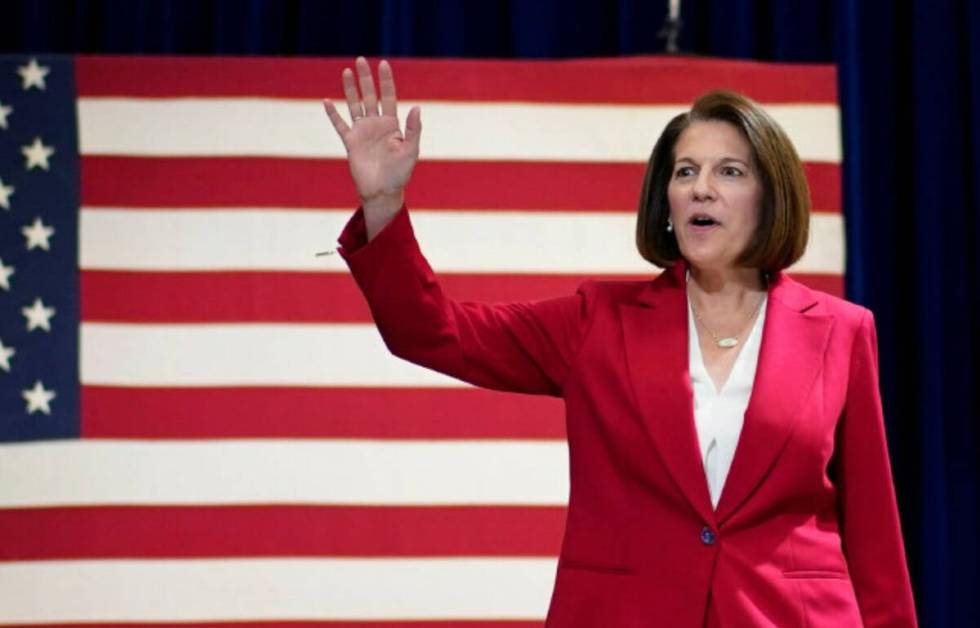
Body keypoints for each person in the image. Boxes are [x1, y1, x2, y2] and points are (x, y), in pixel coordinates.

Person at [323, 57, 918, 627]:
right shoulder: (597, 320)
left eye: (728, 172)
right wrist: (384, 204)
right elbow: (431, 333)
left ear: (773, 197)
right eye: (685, 172)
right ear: (666, 202)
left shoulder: (841, 331)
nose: (700, 189)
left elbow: (874, 540)